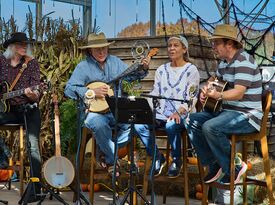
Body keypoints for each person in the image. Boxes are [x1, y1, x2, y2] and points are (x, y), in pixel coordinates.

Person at [64, 32, 160, 176]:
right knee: (98, 124)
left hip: (116, 110)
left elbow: (132, 76)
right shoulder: (83, 67)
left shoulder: (115, 62)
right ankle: (113, 160)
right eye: (97, 49)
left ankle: (106, 155)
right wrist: (91, 92)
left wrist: (144, 68)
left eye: (104, 48)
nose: (102, 52)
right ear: (90, 50)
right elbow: (69, 90)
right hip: (94, 113)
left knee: (136, 123)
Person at [185, 24, 263, 185]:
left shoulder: (244, 61)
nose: (213, 47)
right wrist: (205, 91)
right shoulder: (224, 63)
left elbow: (238, 92)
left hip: (247, 115)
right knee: (190, 120)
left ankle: (233, 168)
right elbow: (214, 81)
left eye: (216, 43)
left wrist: (218, 95)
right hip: (226, 112)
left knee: (210, 127)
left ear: (229, 44)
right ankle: (214, 164)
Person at [135, 35, 200, 178]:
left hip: (183, 115)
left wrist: (179, 112)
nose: (171, 48)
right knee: (139, 125)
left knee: (171, 124)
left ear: (184, 49)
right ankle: (157, 157)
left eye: (176, 45)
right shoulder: (161, 70)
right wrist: (144, 105)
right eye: (169, 45)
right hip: (161, 114)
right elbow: (156, 93)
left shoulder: (192, 70)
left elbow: (192, 97)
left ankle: (177, 160)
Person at [0, 32, 42, 202]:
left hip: (27, 108)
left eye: (25, 44)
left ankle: (35, 189)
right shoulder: (1, 62)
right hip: (6, 110)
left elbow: (37, 91)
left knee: (33, 146)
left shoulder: (31, 64)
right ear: (11, 47)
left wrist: (34, 95)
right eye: (20, 45)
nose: (24, 47)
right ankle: (4, 158)